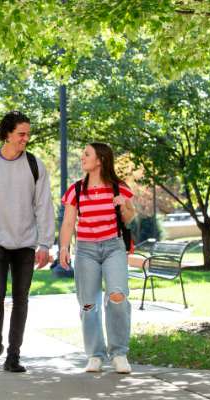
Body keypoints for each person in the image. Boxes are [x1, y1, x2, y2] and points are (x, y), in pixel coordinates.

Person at [0, 111, 55, 373]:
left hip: (26, 243)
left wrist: (44, 244)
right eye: (21, 134)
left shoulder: (35, 165)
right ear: (7, 134)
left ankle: (14, 355)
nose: (25, 139)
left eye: (28, 134)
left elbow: (44, 206)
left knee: (21, 299)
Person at [59, 142, 136, 374]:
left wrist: (126, 205)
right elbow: (68, 222)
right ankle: (95, 355)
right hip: (86, 250)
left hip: (113, 247)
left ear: (100, 160)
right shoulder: (76, 190)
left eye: (87, 154)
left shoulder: (118, 187)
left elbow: (129, 218)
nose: (82, 157)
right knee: (88, 304)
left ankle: (119, 353)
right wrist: (64, 247)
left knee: (117, 295)